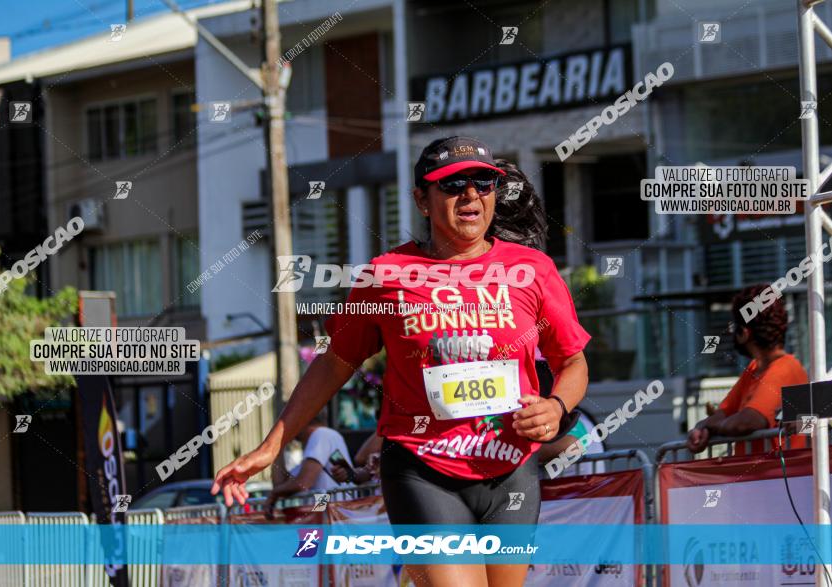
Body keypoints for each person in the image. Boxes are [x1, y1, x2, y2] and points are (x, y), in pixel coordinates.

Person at [212, 136, 591, 587]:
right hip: (422, 468)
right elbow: (336, 362)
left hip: (510, 471)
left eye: (483, 183)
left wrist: (557, 408)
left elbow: (573, 363)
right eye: (452, 184)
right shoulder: (386, 275)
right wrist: (273, 444)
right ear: (421, 200)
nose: (470, 194)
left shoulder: (533, 269)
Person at [686, 283, 808, 456]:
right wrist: (702, 428)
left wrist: (714, 427)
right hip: (758, 479)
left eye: (734, 325)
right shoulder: (754, 368)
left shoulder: (785, 369)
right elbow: (723, 414)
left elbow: (747, 421)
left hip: (778, 478)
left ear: (744, 332)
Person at [267, 410, 354, 500]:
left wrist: (274, 494)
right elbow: (281, 485)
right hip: (327, 507)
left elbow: (303, 483)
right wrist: (278, 445)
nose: (287, 426)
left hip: (333, 508)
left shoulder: (321, 434)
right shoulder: (323, 439)